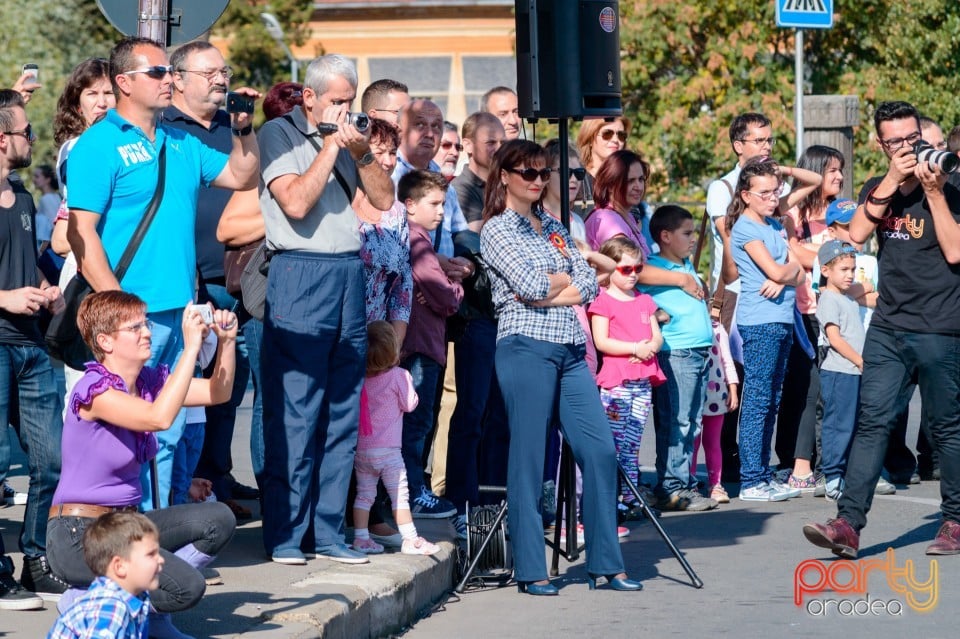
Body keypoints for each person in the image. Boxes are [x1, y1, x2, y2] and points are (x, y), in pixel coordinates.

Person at [66, 37, 260, 512]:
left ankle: (156, 541)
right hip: (133, 315)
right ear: (124, 82)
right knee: (136, 433)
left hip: (179, 309)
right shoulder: (99, 144)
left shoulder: (180, 141)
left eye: (170, 73)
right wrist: (118, 311)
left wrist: (243, 129)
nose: (168, 80)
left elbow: (242, 175)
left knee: (170, 431)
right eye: (158, 73)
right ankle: (133, 539)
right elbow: (81, 235)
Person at [480, 139, 640, 595]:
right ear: (505, 176)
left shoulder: (553, 224)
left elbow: (591, 282)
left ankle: (605, 564)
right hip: (524, 346)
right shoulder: (497, 230)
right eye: (526, 173)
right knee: (529, 459)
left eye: (542, 173)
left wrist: (556, 285)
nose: (536, 180)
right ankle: (532, 569)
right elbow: (530, 285)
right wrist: (562, 278)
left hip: (569, 348)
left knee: (601, 451)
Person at [803, 101, 960, 558]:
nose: (908, 147)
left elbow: (954, 253)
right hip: (889, 326)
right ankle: (848, 525)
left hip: (941, 328)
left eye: (914, 138)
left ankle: (953, 520)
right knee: (872, 421)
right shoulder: (879, 187)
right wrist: (893, 180)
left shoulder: (953, 188)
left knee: (947, 427)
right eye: (896, 142)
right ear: (881, 144)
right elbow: (853, 235)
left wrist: (933, 191)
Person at [257, 54, 394, 566]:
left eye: (349, 100)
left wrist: (360, 154)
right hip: (298, 270)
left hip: (346, 274)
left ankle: (329, 531)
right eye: (336, 100)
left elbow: (383, 200)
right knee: (296, 410)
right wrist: (330, 145)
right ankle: (287, 534)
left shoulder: (350, 139)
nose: (344, 109)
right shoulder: (279, 135)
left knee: (341, 411)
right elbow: (295, 202)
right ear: (309, 97)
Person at [45, 291, 237, 639]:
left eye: (145, 323)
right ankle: (85, 599)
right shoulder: (94, 391)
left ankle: (146, 612)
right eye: (134, 327)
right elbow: (158, 418)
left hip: (125, 525)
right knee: (187, 587)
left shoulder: (148, 383)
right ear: (105, 341)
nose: (147, 331)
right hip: (79, 534)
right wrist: (191, 348)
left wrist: (226, 343)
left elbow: (217, 393)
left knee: (218, 519)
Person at [163, 39, 261, 518]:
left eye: (224, 70)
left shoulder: (232, 129)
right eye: (210, 72)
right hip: (186, 281)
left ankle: (215, 479)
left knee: (228, 386)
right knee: (185, 389)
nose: (222, 79)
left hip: (237, 277)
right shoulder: (163, 129)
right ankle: (186, 490)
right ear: (177, 79)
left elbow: (248, 176)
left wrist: (246, 128)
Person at [215, 81, 302, 495]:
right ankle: (272, 491)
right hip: (264, 298)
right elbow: (227, 228)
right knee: (270, 398)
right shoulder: (268, 161)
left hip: (306, 296)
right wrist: (288, 214)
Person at [0, 88, 66, 607]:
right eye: (26, 132)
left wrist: (43, 290)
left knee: (52, 462)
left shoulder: (22, 198)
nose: (33, 140)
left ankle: (37, 559)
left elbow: (24, 265)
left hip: (32, 346)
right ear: (3, 139)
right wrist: (6, 296)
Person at [725, 156, 820, 502]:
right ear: (746, 195)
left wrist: (784, 172)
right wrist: (788, 276)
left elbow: (814, 181)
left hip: (781, 318)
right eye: (763, 192)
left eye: (774, 191)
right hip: (760, 320)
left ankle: (763, 474)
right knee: (759, 399)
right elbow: (784, 272)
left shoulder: (775, 220)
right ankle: (751, 479)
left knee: (772, 400)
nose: (771, 197)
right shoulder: (746, 228)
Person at [639, 206, 717, 512]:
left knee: (691, 421)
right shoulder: (655, 267)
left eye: (694, 233)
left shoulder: (685, 266)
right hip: (677, 353)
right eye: (687, 233)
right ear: (665, 236)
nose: (693, 239)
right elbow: (634, 272)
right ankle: (672, 486)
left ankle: (681, 483)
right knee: (678, 420)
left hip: (696, 352)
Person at [397, 170, 463, 518]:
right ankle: (411, 493)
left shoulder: (422, 241)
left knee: (418, 425)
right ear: (409, 205)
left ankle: (410, 490)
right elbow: (445, 297)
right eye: (434, 204)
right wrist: (455, 284)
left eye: (443, 204)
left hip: (425, 343)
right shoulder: (417, 242)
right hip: (420, 346)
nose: (441, 212)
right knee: (416, 425)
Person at [778, 145, 844, 492]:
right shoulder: (794, 214)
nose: (839, 177)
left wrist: (820, 256)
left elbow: (851, 254)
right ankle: (798, 464)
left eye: (841, 170)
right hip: (805, 312)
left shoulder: (842, 213)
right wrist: (830, 254)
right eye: (832, 170)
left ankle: (825, 462)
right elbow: (794, 252)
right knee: (808, 389)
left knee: (833, 389)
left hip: (837, 309)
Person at [588, 237, 663, 518]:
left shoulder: (644, 300)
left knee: (632, 444)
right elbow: (602, 340)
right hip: (616, 383)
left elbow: (657, 334)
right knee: (615, 444)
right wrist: (634, 348)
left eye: (637, 268)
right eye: (625, 269)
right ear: (611, 270)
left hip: (641, 382)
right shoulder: (603, 300)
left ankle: (630, 496)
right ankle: (612, 498)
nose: (633, 275)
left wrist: (650, 347)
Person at [352, 321, 440, 556]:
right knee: (399, 495)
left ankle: (361, 538)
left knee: (364, 494)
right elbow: (410, 404)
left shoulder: (360, 378)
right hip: (389, 452)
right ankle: (410, 539)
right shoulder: (399, 376)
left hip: (363, 450)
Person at [585, 150, 703, 297]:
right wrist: (683, 279)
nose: (638, 186)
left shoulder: (626, 216)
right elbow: (630, 269)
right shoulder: (607, 220)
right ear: (611, 183)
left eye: (641, 179)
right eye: (630, 181)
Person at [47, 512, 160, 639]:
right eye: (151, 554)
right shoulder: (110, 608)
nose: (161, 560)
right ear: (120, 566)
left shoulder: (138, 596)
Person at [815, 240, 867, 502]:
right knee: (838, 425)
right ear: (826, 270)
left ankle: (844, 473)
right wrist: (859, 360)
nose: (850, 275)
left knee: (853, 425)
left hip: (853, 371)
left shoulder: (847, 298)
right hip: (839, 372)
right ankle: (832, 476)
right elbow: (834, 338)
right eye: (844, 269)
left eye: (853, 269)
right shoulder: (828, 299)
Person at [692, 307, 739, 504]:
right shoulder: (688, 329)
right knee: (692, 442)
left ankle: (715, 484)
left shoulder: (717, 329)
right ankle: (690, 482)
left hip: (716, 396)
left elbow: (727, 360)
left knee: (712, 442)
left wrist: (733, 389)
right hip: (693, 395)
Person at [453, 112, 505, 233]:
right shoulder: (460, 189)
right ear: (468, 145)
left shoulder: (507, 183)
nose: (499, 149)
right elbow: (482, 235)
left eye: (503, 143)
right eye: (491, 143)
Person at [540, 139, 587, 242]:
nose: (574, 179)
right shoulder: (535, 219)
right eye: (566, 172)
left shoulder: (578, 221)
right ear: (546, 174)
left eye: (579, 173)